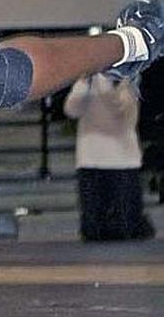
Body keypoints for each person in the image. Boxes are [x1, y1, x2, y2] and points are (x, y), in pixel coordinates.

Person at [64, 72, 155, 241]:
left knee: (125, 227)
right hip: (91, 159)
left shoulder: (130, 79)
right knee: (93, 228)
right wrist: (84, 84)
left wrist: (107, 85)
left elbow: (123, 109)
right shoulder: (87, 78)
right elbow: (71, 109)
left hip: (123, 160)